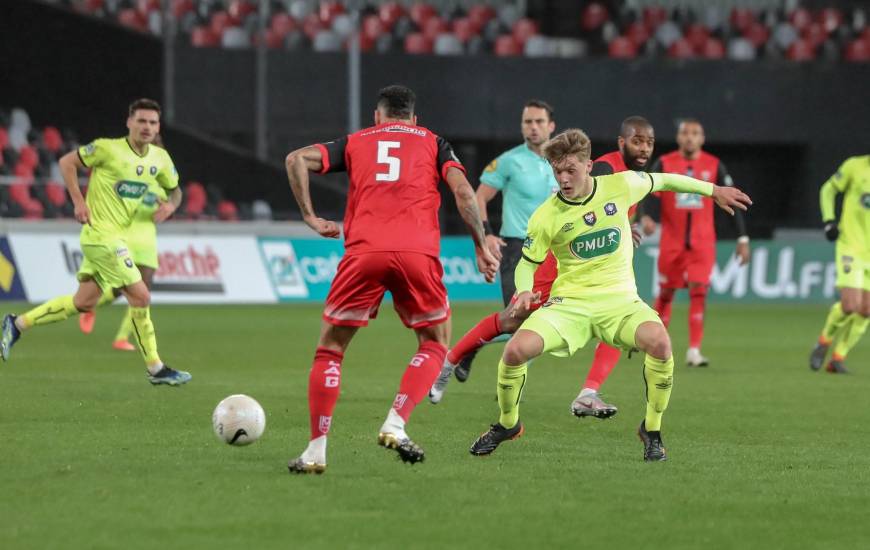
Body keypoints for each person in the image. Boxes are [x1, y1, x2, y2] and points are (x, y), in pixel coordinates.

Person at [468, 129, 750, 461]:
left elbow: (666, 181)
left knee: (660, 343)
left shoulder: (621, 185)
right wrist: (525, 290)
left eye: (570, 169)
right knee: (515, 351)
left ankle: (652, 429)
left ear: (589, 165)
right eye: (557, 171)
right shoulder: (546, 214)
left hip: (620, 302)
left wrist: (713, 190)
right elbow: (527, 263)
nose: (563, 178)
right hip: (569, 306)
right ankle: (508, 424)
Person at [284, 85, 498, 474]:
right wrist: (480, 245)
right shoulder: (434, 142)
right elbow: (465, 193)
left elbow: (296, 158)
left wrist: (310, 217)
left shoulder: (356, 141)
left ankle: (316, 450)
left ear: (377, 117)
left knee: (330, 349)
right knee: (435, 342)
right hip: (418, 253)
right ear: (414, 119)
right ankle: (396, 422)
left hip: (363, 252)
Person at [431, 116, 656, 421]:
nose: (643, 148)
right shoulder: (605, 167)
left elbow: (612, 206)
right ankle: (450, 361)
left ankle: (588, 393)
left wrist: (626, 226)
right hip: (559, 260)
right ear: (622, 142)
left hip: (596, 267)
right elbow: (583, 202)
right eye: (637, 141)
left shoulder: (632, 176)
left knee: (614, 320)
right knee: (513, 320)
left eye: (648, 143)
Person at [0, 99, 189, 386]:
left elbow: (176, 191)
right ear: (129, 122)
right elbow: (67, 162)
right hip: (100, 236)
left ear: (158, 126)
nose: (147, 127)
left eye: (152, 122)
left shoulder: (160, 160)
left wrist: (171, 207)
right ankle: (156, 368)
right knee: (141, 295)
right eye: (141, 121)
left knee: (83, 302)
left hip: (116, 237)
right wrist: (78, 202)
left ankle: (16, 324)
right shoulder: (107, 149)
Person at [640, 119, 750, 367]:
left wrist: (742, 238)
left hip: (702, 243)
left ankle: (694, 351)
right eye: (685, 133)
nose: (689, 137)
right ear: (679, 138)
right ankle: (657, 345)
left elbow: (733, 201)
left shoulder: (714, 165)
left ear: (702, 138)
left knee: (699, 291)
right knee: (666, 293)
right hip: (672, 242)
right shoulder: (665, 163)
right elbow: (646, 191)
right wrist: (646, 216)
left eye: (695, 133)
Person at [78, 137, 168, 352]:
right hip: (125, 235)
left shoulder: (159, 184)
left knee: (138, 292)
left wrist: (163, 208)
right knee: (126, 289)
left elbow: (161, 212)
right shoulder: (128, 174)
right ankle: (91, 307)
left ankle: (119, 335)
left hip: (147, 239)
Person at [809, 154, 870, 373]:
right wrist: (828, 221)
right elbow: (828, 189)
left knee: (866, 310)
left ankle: (837, 359)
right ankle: (823, 341)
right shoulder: (855, 166)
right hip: (851, 245)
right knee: (849, 305)